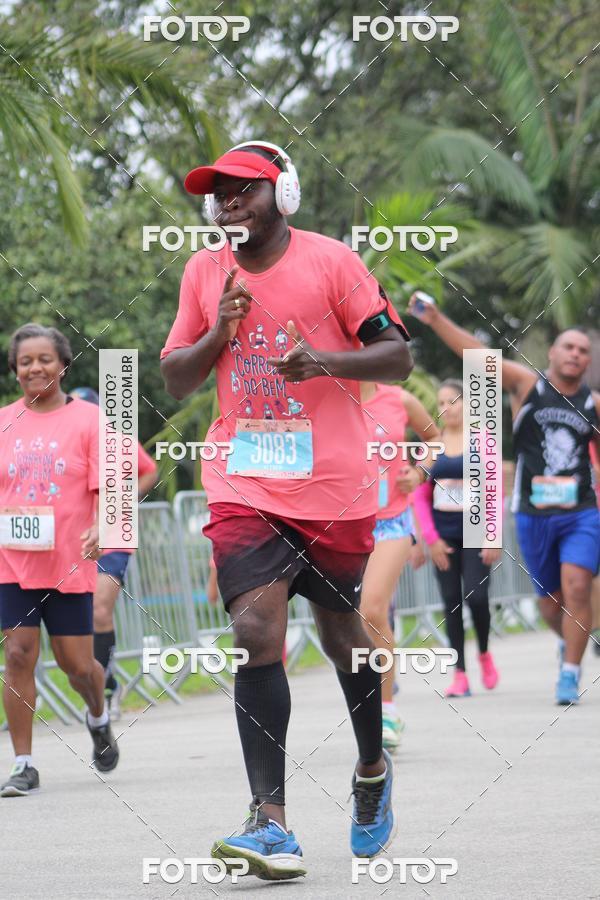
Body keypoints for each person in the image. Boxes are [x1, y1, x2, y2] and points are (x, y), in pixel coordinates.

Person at [161, 140, 413, 880]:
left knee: (343, 637)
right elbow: (175, 378)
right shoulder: (204, 271)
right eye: (219, 194)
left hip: (333, 485)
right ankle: (270, 822)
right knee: (253, 629)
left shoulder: (333, 262)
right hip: (244, 477)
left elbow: (398, 356)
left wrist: (325, 360)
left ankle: (371, 771)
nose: (229, 203)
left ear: (285, 194)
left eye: (244, 189)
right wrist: (218, 331)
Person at [409, 296, 600, 705]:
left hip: (580, 512)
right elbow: (479, 357)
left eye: (583, 350)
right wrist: (436, 319)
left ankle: (569, 673)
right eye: (568, 347)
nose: (575, 354)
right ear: (552, 354)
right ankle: (569, 642)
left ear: (588, 361)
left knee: (578, 586)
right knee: (551, 605)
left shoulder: (593, 404)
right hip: (533, 515)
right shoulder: (528, 385)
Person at [0, 324, 119, 797]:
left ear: (63, 365)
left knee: (78, 667)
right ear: (15, 370)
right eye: (25, 361)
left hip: (69, 561)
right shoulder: (4, 421)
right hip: (12, 562)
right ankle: (24, 764)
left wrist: (102, 526)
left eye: (44, 359)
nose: (35, 368)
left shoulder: (90, 420)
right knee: (17, 654)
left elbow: (111, 487)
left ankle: (98, 715)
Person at [360, 380, 440, 747]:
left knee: (372, 609)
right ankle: (367, 704)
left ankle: (387, 710)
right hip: (340, 522)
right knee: (349, 622)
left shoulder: (399, 399)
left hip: (390, 520)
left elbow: (433, 439)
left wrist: (419, 472)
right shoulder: (326, 397)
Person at [69, 387, 158, 720]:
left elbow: (149, 469)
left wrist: (126, 498)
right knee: (78, 619)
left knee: (99, 610)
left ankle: (107, 692)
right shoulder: (63, 445)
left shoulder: (119, 443)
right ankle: (99, 684)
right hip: (74, 541)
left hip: (114, 539)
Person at [411, 379, 501, 696]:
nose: (446, 408)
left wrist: (493, 535)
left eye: (453, 401)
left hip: (476, 532)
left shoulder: (483, 440)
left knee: (477, 598)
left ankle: (484, 653)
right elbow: (419, 496)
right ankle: (460, 674)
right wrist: (430, 539)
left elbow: (494, 490)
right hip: (443, 535)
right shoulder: (431, 445)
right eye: (441, 403)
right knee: (451, 602)